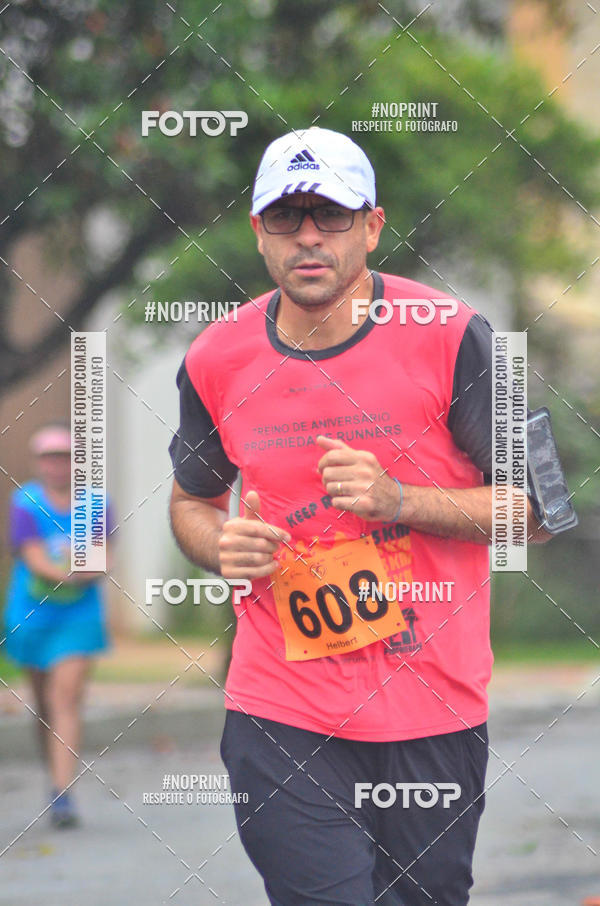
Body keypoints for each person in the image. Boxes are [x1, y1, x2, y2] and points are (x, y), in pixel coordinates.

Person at [168, 126, 556, 905]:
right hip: (279, 706)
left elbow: (541, 511)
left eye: (332, 215)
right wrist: (219, 545)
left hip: (432, 712)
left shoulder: (453, 336)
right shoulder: (217, 357)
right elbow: (192, 502)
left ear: (373, 225)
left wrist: (398, 501)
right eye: (286, 218)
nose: (308, 237)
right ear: (258, 233)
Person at [2, 423, 112, 828]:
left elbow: (107, 554)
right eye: (49, 457)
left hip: (78, 617)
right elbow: (31, 556)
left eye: (64, 457)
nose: (56, 465)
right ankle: (54, 776)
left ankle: (63, 794)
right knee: (44, 704)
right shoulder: (26, 501)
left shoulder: (95, 503)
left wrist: (89, 570)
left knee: (66, 698)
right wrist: (65, 572)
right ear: (39, 463)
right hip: (32, 614)